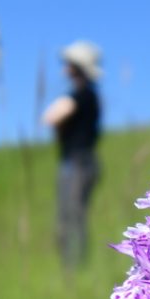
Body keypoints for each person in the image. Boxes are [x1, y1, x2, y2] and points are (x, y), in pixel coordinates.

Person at [43, 40, 102, 267]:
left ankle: (74, 265)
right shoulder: (89, 95)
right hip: (80, 162)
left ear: (78, 67)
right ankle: (73, 263)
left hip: (78, 163)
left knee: (72, 217)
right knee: (71, 216)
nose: (64, 68)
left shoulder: (84, 95)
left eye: (68, 63)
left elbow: (51, 116)